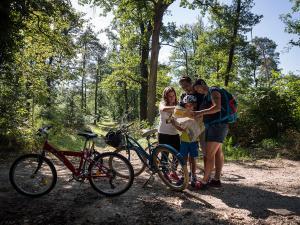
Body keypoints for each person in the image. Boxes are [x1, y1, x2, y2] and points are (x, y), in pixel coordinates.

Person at [193, 79, 229, 189]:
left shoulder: (213, 91)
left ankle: (204, 181)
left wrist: (200, 112)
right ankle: (216, 180)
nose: (198, 91)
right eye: (196, 90)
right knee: (217, 153)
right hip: (214, 126)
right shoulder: (206, 95)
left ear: (203, 84)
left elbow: (217, 107)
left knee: (209, 155)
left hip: (217, 126)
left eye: (198, 88)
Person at [172, 95, 200, 186]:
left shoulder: (196, 113)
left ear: (194, 105)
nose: (189, 107)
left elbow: (198, 127)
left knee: (193, 159)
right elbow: (181, 128)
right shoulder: (182, 114)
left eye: (191, 105)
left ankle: (193, 176)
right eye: (187, 105)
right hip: (184, 140)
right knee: (183, 159)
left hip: (194, 140)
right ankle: (184, 176)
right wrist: (174, 124)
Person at [158, 86, 181, 179]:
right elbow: (163, 109)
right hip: (163, 133)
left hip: (175, 133)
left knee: (177, 154)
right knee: (165, 154)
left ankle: (173, 171)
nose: (172, 98)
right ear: (165, 97)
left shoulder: (178, 104)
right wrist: (178, 108)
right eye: (169, 96)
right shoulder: (162, 103)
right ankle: (165, 173)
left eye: (173, 95)